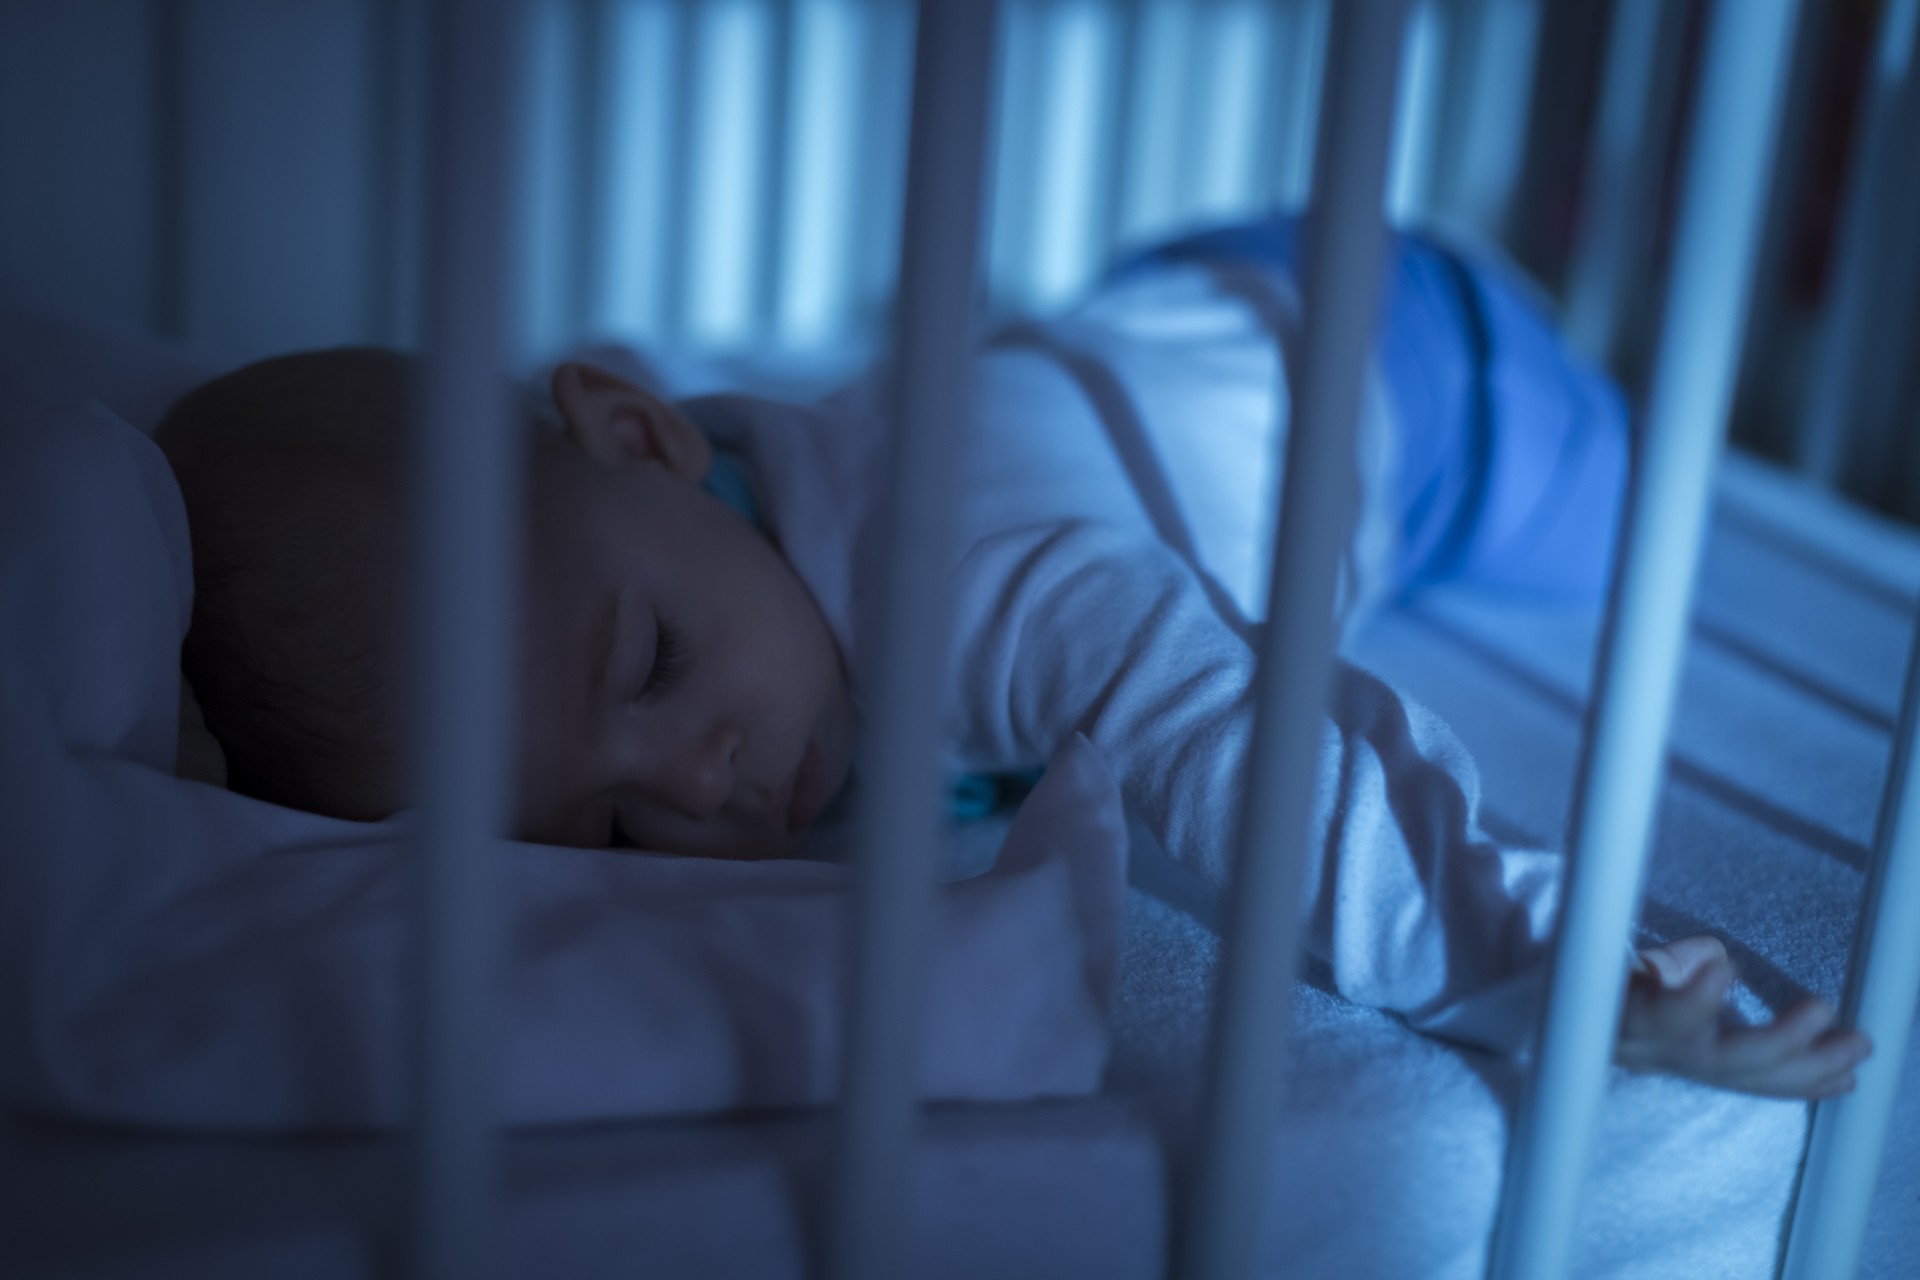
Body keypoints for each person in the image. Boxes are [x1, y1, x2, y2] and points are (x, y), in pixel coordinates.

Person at [157, 217, 1871, 1100]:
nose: (701, 792)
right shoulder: (705, 527)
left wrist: (1555, 972)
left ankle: (1578, 276)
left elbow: (1234, 738)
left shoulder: (959, 591)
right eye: (604, 830)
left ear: (640, 429)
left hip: (1420, 368)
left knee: (1663, 505)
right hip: (1167, 308)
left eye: (657, 667)